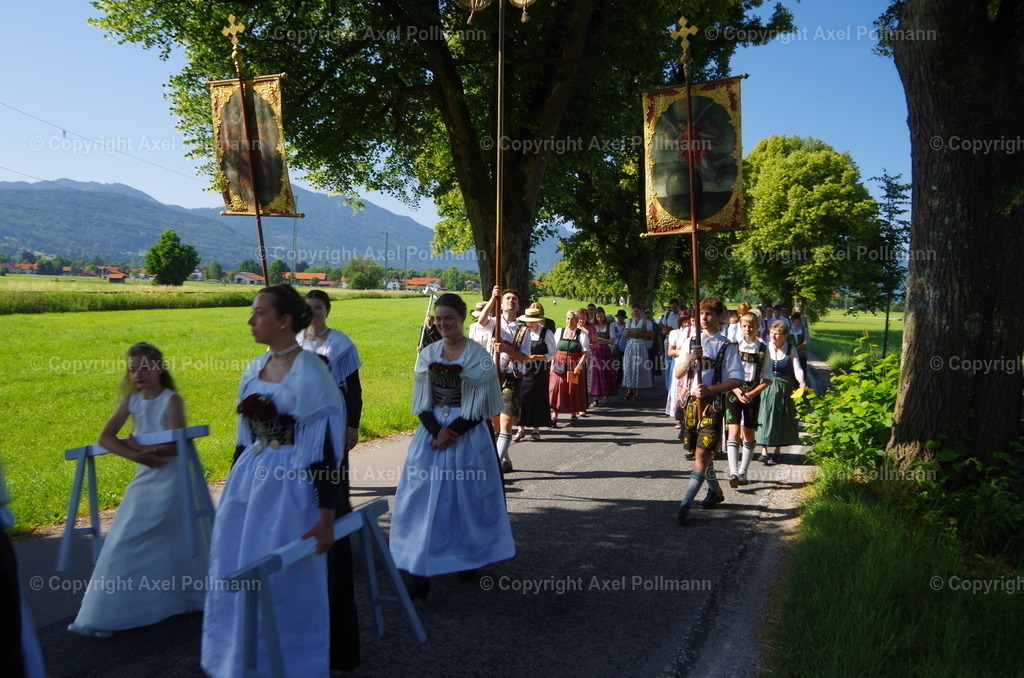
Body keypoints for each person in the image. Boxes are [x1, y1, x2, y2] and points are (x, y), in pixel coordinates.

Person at [202, 284, 346, 678]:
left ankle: (288, 662)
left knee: (283, 576)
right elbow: (242, 439)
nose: (251, 320)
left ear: (284, 320)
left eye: (260, 312)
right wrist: (232, 490)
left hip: (290, 487)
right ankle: (237, 656)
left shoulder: (311, 372)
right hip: (250, 480)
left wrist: (327, 513)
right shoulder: (253, 368)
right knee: (239, 560)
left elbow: (323, 450)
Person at [69, 342, 207, 638]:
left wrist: (143, 446)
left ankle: (180, 597)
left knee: (173, 538)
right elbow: (106, 437)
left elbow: (177, 444)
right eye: (132, 370)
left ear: (159, 367)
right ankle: (113, 612)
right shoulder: (131, 402)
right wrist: (135, 455)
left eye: (144, 367)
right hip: (146, 475)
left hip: (173, 477)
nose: (138, 374)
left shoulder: (172, 400)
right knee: (126, 536)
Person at [390, 293, 515, 600]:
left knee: (465, 498)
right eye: (441, 317)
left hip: (467, 435)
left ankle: (468, 556)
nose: (444, 323)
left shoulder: (477, 355)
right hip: (431, 434)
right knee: (424, 498)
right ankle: (418, 567)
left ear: (461, 320)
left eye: (451, 318)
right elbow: (420, 400)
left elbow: (483, 404)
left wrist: (452, 432)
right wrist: (435, 431)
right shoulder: (428, 353)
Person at [298, 289, 361, 671]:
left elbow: (353, 389)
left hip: (333, 412)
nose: (314, 314)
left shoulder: (339, 343)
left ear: (327, 311)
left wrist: (352, 424)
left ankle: (335, 517)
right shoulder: (297, 342)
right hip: (303, 412)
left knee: (333, 472)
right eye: (308, 309)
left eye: (319, 309)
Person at [673, 298, 743, 525]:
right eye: (701, 314)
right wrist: (691, 359)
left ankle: (685, 504)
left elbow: (736, 379)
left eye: (709, 314)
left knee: (703, 454)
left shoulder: (726, 346)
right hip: (691, 405)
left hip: (713, 406)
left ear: (720, 316)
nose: (704, 318)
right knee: (699, 452)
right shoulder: (691, 341)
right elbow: (678, 374)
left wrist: (711, 389)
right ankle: (715, 491)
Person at [492, 288, 541, 473]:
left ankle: (494, 465)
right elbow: (480, 322)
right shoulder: (493, 323)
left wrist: (506, 351)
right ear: (502, 304)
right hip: (492, 376)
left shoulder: (523, 331)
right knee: (494, 421)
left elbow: (525, 357)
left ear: (518, 305)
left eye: (514, 299)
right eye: (507, 299)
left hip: (513, 376)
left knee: (506, 421)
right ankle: (505, 458)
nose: (511, 301)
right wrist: (492, 297)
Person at [755, 320, 808, 465]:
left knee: (780, 418)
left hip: (784, 387)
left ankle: (777, 451)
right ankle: (764, 451)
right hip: (767, 385)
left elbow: (797, 368)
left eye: (777, 334)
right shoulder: (765, 348)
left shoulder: (791, 349)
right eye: (771, 333)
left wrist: (801, 382)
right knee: (764, 416)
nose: (773, 336)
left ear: (785, 335)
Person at [724, 312, 767, 487]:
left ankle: (743, 471)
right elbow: (726, 373)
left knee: (749, 432)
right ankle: (733, 472)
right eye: (744, 326)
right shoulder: (733, 346)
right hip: (734, 391)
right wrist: (736, 390)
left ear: (757, 327)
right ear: (740, 327)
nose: (747, 329)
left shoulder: (763, 348)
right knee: (733, 431)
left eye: (751, 326)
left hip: (753, 392)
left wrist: (752, 393)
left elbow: (768, 378)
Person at [515, 305, 556, 441]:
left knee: (537, 398)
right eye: (528, 321)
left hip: (539, 371)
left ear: (538, 321)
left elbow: (552, 354)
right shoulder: (522, 332)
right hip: (524, 369)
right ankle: (521, 429)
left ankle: (536, 430)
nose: (529, 324)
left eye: (532, 321)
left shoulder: (546, 333)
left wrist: (537, 357)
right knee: (522, 398)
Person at [549, 310, 590, 427]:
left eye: (572, 319)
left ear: (577, 321)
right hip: (559, 363)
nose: (569, 321)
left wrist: (579, 366)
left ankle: (573, 415)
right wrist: (552, 365)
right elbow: (554, 350)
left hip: (573, 364)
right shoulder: (559, 332)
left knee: (572, 390)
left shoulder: (582, 335)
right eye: (568, 318)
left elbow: (585, 353)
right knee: (555, 389)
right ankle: (554, 417)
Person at [665, 311, 695, 421]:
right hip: (679, 363)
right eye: (685, 322)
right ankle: (679, 414)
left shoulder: (696, 333)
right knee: (678, 388)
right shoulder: (676, 333)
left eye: (689, 322)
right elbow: (670, 352)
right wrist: (684, 353)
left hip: (691, 362)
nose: (687, 324)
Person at [587, 307, 618, 407]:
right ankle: (595, 397)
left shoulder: (610, 326)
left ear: (604, 315)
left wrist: (603, 341)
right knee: (595, 374)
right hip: (595, 351)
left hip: (605, 350)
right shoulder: (593, 326)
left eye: (601, 316)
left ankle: (606, 395)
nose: (600, 318)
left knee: (605, 372)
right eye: (598, 316)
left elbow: (613, 341)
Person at [622, 306, 653, 400]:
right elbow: (625, 336)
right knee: (629, 366)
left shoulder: (646, 322)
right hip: (630, 345)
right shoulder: (629, 321)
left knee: (639, 367)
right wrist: (627, 334)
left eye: (637, 311)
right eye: (634, 311)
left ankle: (638, 392)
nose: (635, 312)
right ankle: (629, 389)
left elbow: (650, 336)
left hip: (640, 345)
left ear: (641, 312)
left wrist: (638, 333)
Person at [658, 299, 681, 390]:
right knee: (667, 365)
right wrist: (665, 331)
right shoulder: (667, 315)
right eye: (671, 307)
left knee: (677, 364)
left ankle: (676, 387)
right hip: (668, 341)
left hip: (679, 342)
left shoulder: (681, 315)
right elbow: (663, 331)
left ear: (678, 306)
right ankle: (668, 388)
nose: (673, 309)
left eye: (674, 307)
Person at [611, 309, 629, 384]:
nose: (620, 318)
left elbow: (627, 336)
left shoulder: (626, 326)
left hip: (623, 347)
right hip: (614, 347)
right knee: (613, 363)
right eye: (619, 317)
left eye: (621, 317)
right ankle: (613, 378)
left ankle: (619, 380)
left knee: (621, 364)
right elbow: (612, 334)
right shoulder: (613, 325)